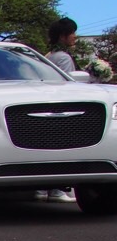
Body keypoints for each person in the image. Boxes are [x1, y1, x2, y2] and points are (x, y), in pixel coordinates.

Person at [41, 17, 80, 202]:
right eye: (72, 32)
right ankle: (56, 189)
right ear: (63, 36)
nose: (75, 36)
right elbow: (66, 82)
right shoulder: (63, 57)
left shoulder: (48, 55)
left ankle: (43, 189)